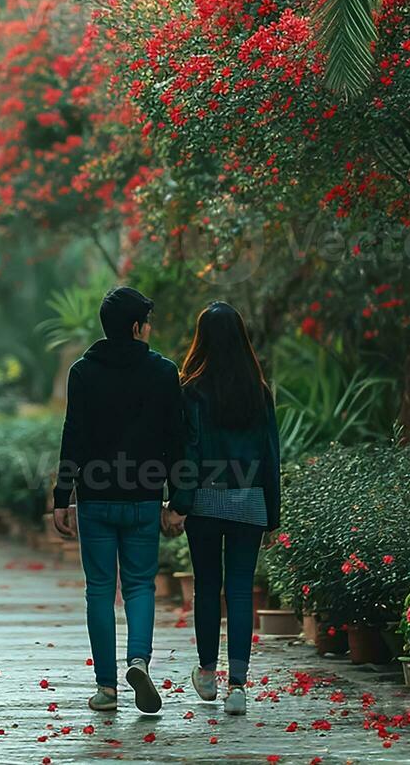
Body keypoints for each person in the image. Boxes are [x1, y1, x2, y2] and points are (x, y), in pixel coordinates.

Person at [52, 286, 185, 714]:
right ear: (136, 327)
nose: (150, 329)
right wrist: (178, 498)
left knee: (99, 590)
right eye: (147, 322)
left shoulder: (83, 372)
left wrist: (61, 497)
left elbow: (72, 436)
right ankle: (139, 660)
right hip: (144, 498)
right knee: (140, 585)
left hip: (94, 498)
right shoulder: (163, 372)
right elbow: (176, 441)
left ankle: (106, 689)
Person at [164, 301, 281, 717]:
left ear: (203, 340)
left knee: (207, 587)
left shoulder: (191, 390)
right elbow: (270, 456)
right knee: (240, 590)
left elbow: (189, 452)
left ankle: (208, 675)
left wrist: (179, 503)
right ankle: (238, 687)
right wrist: (273, 513)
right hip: (250, 500)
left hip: (205, 503)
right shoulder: (259, 391)